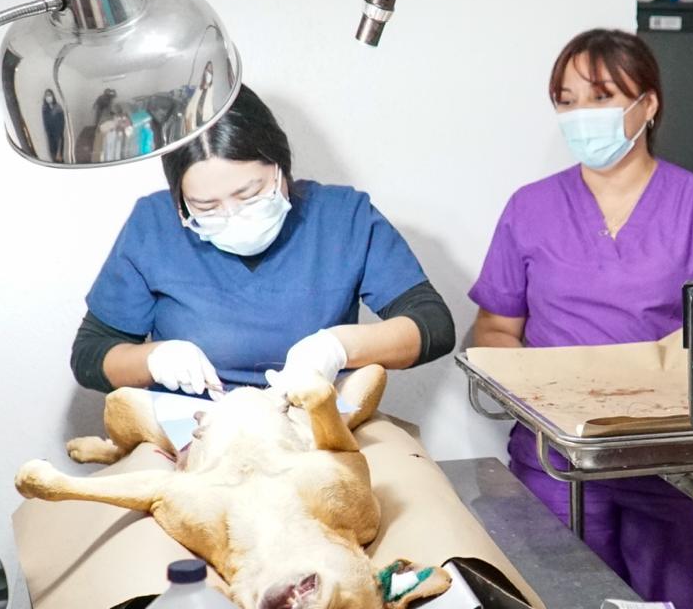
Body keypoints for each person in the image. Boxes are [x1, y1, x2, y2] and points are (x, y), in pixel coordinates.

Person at [469, 28, 693, 609]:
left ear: (649, 104)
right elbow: (496, 327)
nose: (581, 114)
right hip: (558, 464)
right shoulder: (531, 208)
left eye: (602, 95)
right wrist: (548, 391)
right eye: (566, 99)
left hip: (677, 473)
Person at [71, 84, 455, 396]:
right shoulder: (152, 226)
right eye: (206, 206)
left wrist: (340, 347)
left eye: (250, 194)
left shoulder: (343, 218)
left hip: (309, 430)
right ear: (180, 200)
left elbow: (432, 324)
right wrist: (153, 359)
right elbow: (90, 355)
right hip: (193, 435)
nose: (232, 215)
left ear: (280, 167)